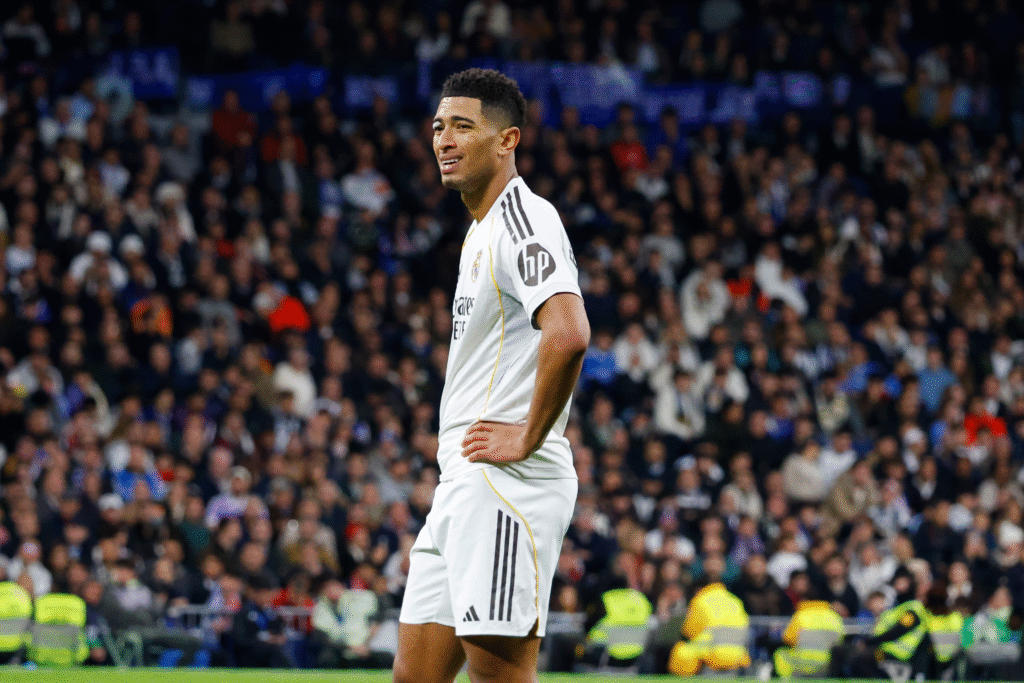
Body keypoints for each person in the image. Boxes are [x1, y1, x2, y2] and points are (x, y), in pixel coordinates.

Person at [393, 68, 589, 683]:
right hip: (464, 481)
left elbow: (570, 331)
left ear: (507, 140)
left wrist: (528, 434)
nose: (444, 140)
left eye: (463, 127)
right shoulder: (481, 230)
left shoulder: (523, 221)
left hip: (507, 482)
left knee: (497, 677)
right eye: (438, 127)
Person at [668, 581, 751, 676]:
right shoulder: (736, 601)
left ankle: (683, 678)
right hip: (737, 654)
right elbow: (746, 625)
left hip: (712, 653)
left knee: (681, 650)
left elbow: (688, 631)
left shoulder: (701, 599)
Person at [311, 574, 393, 669]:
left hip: (365, 644)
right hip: (340, 648)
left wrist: (365, 642)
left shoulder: (355, 600)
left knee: (387, 658)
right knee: (327, 658)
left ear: (341, 587)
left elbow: (379, 611)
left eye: (334, 586)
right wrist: (349, 647)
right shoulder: (321, 608)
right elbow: (324, 638)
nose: (332, 590)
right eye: (328, 587)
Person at [770, 594, 845, 677]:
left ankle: (785, 680)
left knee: (780, 653)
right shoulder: (834, 617)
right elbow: (839, 642)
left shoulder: (801, 615)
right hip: (826, 664)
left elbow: (788, 639)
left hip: (801, 663)